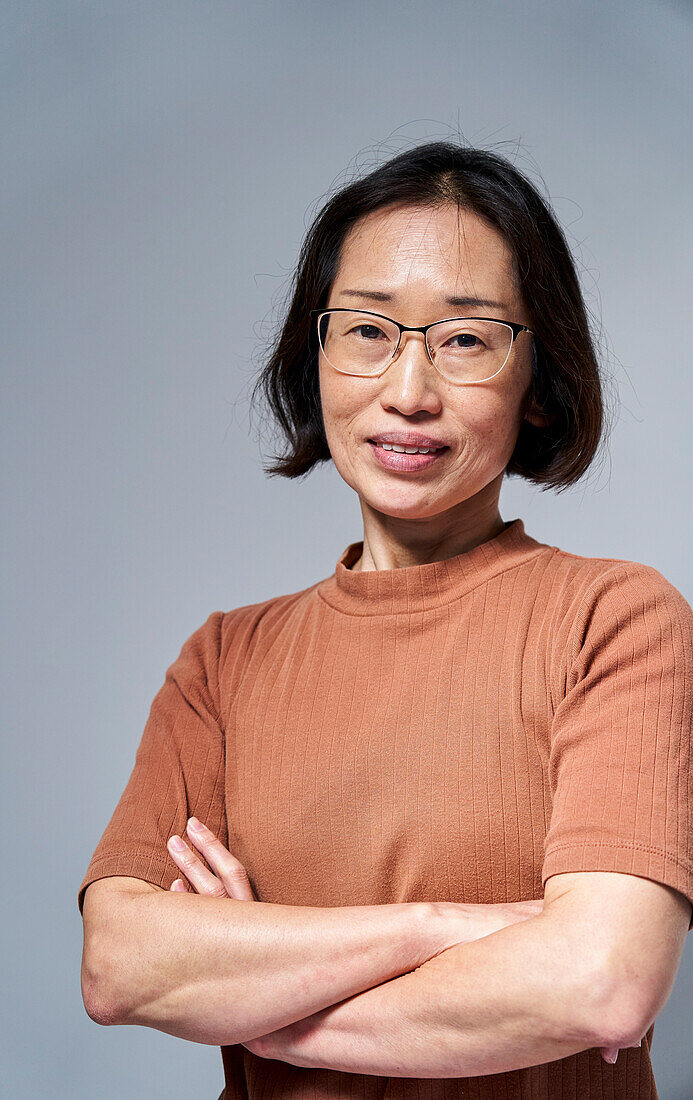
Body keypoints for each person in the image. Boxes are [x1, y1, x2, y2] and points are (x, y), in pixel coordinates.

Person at [77, 140, 693, 1099]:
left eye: (465, 338)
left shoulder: (615, 621)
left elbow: (602, 983)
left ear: (539, 379)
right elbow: (118, 965)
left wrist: (267, 1004)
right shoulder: (223, 662)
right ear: (314, 354)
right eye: (367, 330)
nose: (408, 391)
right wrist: (438, 929)